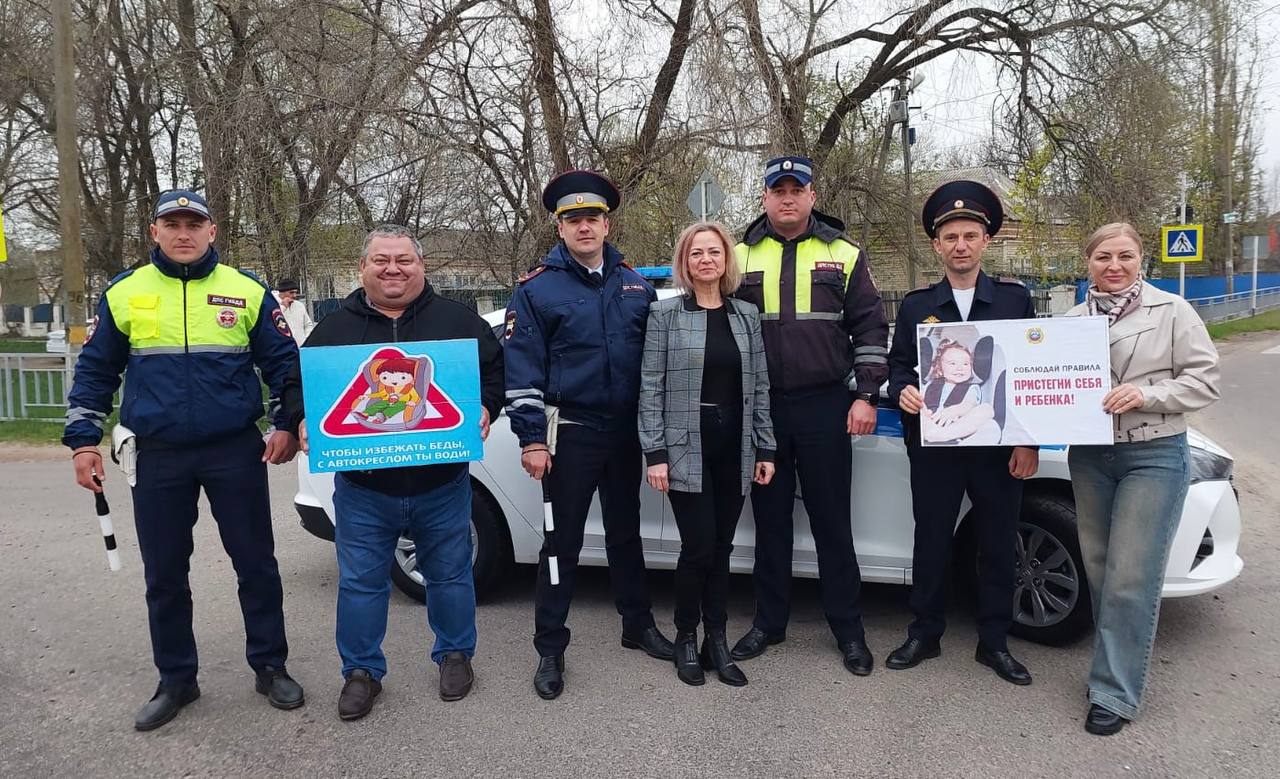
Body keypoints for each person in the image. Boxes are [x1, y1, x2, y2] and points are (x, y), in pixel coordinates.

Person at [63, 189, 304, 731]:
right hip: (158, 454)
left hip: (233, 448)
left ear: (212, 231)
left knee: (256, 564)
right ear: (155, 232)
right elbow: (96, 373)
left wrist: (286, 423)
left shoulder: (245, 290)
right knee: (165, 573)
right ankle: (177, 679)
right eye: (171, 223)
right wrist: (82, 440)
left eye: (193, 223)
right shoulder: (125, 293)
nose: (183, 233)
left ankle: (270, 666)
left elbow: (285, 364)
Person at [282, 224, 504, 720]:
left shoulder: (459, 321)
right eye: (381, 260)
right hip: (364, 489)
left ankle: (454, 656)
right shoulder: (333, 330)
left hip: (441, 482)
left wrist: (488, 405)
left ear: (421, 266)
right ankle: (361, 673)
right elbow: (297, 387)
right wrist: (300, 419)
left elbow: (495, 373)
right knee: (361, 584)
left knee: (450, 577)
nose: (393, 269)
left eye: (403, 259)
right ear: (363, 269)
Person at [504, 169, 673, 700]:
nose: (584, 227)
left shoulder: (635, 285)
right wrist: (533, 439)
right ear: (559, 228)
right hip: (569, 436)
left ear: (607, 223)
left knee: (627, 535)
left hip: (624, 434)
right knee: (562, 543)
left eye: (592, 218)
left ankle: (637, 626)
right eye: (573, 219)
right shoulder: (536, 289)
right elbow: (522, 369)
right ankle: (550, 648)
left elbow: (656, 363)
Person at [729, 155, 888, 676]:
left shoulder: (843, 252)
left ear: (813, 195)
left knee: (831, 523)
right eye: (779, 190)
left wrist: (866, 395)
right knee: (769, 524)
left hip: (826, 406)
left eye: (797, 189)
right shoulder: (739, 254)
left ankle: (849, 630)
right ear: (765, 198)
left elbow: (870, 329)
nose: (788, 198)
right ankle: (767, 624)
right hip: (765, 409)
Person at [1065, 223, 1219, 736]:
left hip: (1152, 452)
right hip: (1090, 456)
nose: (1114, 266)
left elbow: (1203, 379)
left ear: (1141, 259)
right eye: (1103, 256)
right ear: (1087, 262)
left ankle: (1114, 691)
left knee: (1132, 576)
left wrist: (1146, 395)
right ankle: (1112, 666)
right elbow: (1044, 386)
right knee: (1101, 567)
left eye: (1125, 256)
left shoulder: (1173, 310)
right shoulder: (1070, 320)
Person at [885, 180, 1039, 686]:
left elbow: (1033, 377)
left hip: (998, 449)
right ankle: (924, 632)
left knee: (997, 542)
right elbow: (901, 369)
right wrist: (903, 391)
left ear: (986, 241)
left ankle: (994, 641)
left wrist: (1028, 440)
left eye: (970, 235)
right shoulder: (915, 307)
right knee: (931, 540)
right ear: (936, 245)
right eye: (950, 237)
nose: (961, 245)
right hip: (938, 447)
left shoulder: (1016, 301)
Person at [638, 221, 776, 687]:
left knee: (721, 547)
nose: (705, 260)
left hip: (734, 447)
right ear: (685, 262)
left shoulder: (745, 315)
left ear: (726, 260)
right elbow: (650, 386)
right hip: (683, 447)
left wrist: (766, 446)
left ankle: (716, 639)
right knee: (698, 547)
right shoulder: (666, 316)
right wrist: (654, 452)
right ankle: (684, 636)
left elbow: (759, 387)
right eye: (696, 253)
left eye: (713, 252)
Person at [920, 340, 999, 444]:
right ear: (939, 369)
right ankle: (935, 434)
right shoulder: (930, 384)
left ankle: (944, 436)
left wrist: (955, 410)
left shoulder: (971, 387)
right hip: (931, 422)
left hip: (957, 426)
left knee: (988, 411)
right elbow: (920, 400)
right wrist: (924, 411)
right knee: (918, 412)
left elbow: (969, 404)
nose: (960, 368)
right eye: (952, 363)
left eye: (965, 364)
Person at [274, 278, 314, 346]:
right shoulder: (273, 305)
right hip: (283, 349)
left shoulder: (299, 305)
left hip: (301, 347)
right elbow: (273, 324)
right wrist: (283, 307)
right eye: (291, 292)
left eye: (296, 292)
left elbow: (308, 325)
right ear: (282, 293)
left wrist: (306, 340)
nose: (294, 295)